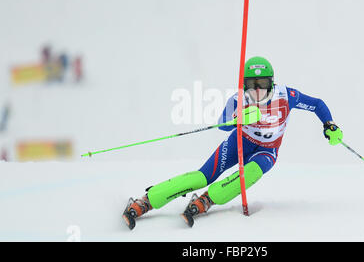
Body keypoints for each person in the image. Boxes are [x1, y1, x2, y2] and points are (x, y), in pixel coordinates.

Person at [122, 56, 343, 229]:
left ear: (272, 83)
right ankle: (147, 200)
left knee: (251, 174)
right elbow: (222, 125)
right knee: (202, 176)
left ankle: (209, 198)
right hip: (240, 142)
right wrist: (238, 119)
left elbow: (317, 104)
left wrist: (329, 124)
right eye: (252, 84)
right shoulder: (239, 99)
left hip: (266, 151)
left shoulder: (287, 96)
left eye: (263, 84)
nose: (257, 91)